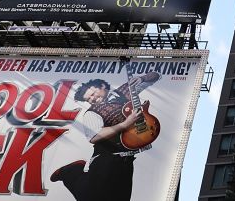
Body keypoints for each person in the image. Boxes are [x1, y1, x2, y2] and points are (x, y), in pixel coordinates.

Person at [50, 71, 161, 200]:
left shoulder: (126, 90)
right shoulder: (92, 113)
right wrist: (125, 124)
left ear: (102, 86)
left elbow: (156, 76)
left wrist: (143, 78)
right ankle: (70, 172)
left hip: (127, 160)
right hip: (105, 159)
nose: (92, 99)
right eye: (88, 99)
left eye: (92, 94)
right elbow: (94, 136)